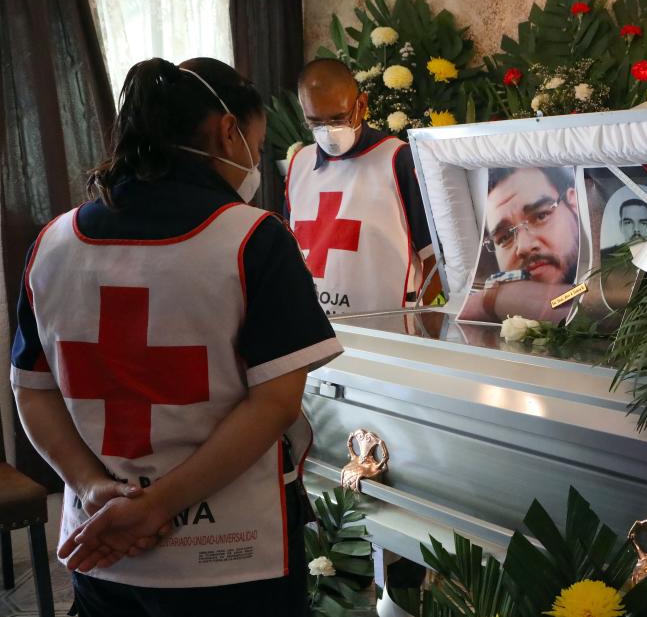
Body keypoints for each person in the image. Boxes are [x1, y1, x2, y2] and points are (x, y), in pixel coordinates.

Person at [10, 57, 341, 617]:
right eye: (254, 145)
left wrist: (92, 487)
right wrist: (155, 505)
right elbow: (275, 404)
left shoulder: (53, 242)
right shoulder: (253, 239)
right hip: (235, 555)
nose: (251, 161)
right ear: (226, 130)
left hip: (103, 540)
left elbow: (32, 390)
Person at [286, 59, 440, 316]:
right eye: (315, 122)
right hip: (316, 330)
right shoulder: (300, 163)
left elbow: (435, 261)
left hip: (388, 335)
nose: (328, 131)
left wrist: (414, 319)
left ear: (361, 105)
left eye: (337, 118)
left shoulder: (398, 160)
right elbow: (292, 254)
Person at [459, 167, 580, 323]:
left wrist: (491, 299)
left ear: (575, 202)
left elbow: (573, 300)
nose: (524, 246)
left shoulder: (607, 273)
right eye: (504, 237)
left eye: (540, 216)